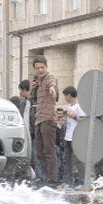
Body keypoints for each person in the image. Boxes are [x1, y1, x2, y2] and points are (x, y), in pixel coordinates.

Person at [30, 56, 58, 189]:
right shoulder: (37, 82)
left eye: (42, 67)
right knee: (40, 153)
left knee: (49, 151)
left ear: (46, 67)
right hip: (38, 119)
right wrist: (32, 89)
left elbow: (52, 82)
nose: (40, 70)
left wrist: (52, 88)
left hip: (48, 119)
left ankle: (52, 182)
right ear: (34, 69)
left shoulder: (49, 78)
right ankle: (46, 180)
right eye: (37, 68)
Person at [18, 80, 42, 185]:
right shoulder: (23, 103)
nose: (20, 93)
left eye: (20, 90)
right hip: (24, 136)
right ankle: (27, 182)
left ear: (24, 89)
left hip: (34, 136)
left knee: (37, 159)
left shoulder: (35, 103)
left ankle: (40, 181)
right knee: (26, 160)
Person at [62, 86, 86, 190]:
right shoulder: (71, 106)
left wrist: (73, 116)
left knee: (78, 160)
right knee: (67, 160)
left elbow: (83, 120)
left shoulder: (79, 106)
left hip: (76, 137)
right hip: (68, 137)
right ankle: (68, 182)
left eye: (65, 96)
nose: (65, 98)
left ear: (69, 95)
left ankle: (82, 182)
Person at [56, 107, 66, 185]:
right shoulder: (55, 127)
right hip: (58, 147)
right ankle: (59, 180)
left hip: (64, 147)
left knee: (63, 164)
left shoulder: (65, 127)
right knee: (59, 164)